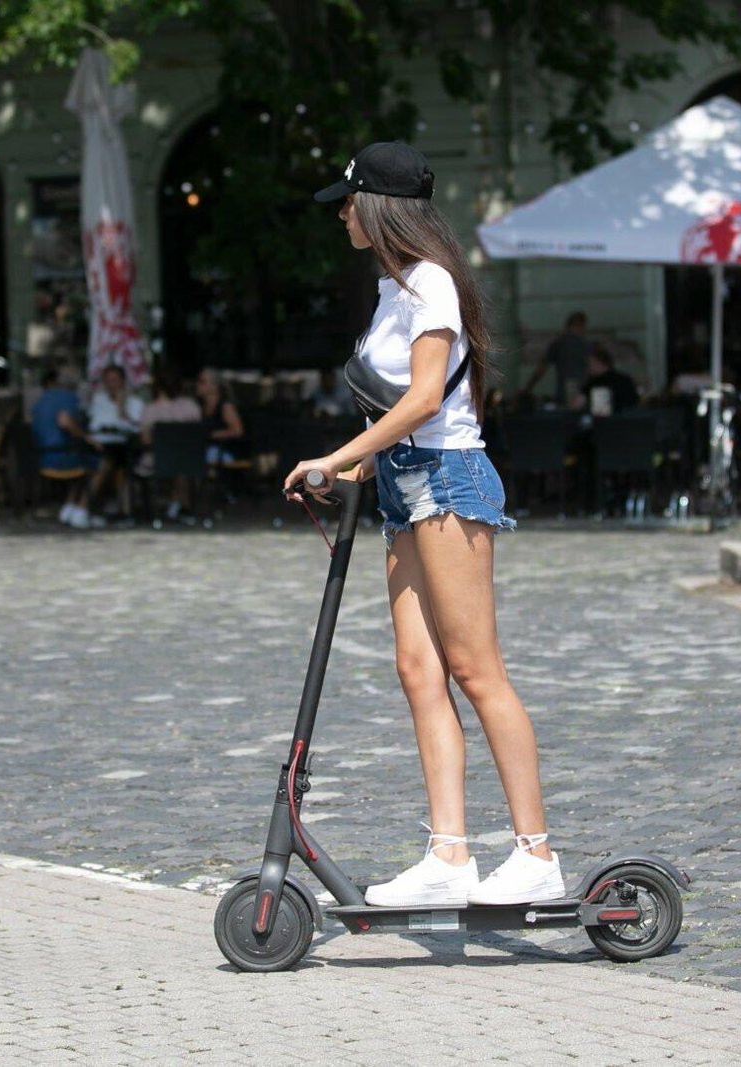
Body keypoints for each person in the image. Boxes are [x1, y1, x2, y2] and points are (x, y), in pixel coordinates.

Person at [287, 140, 563, 907]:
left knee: (476, 668)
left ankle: (536, 852)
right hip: (406, 483)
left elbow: (424, 400)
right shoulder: (393, 288)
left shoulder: (433, 282)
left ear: (377, 207)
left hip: (449, 482)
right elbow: (404, 419)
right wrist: (360, 469)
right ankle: (448, 855)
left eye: (347, 202)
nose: (341, 215)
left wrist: (336, 452)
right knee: (418, 668)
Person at [28, 365, 98, 528]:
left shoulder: (40, 401)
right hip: (61, 456)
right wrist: (86, 437)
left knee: (84, 458)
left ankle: (69, 507)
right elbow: (65, 421)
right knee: (101, 461)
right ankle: (81, 508)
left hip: (41, 457)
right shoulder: (67, 397)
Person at [137, 365, 202, 519]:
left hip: (158, 461)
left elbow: (145, 440)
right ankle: (179, 505)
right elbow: (197, 436)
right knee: (183, 464)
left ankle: (171, 505)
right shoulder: (191, 407)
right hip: (187, 461)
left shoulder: (150, 410)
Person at [86, 363, 144, 521]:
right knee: (101, 462)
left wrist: (121, 409)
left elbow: (138, 429)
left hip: (126, 447)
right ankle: (88, 508)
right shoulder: (99, 400)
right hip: (101, 445)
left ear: (123, 381)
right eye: (108, 381)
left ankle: (90, 507)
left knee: (112, 462)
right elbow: (94, 425)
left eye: (115, 380)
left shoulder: (135, 403)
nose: (112, 385)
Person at [521, 310, 590, 407]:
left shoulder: (559, 343)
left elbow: (541, 369)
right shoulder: (585, 345)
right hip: (581, 392)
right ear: (581, 326)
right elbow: (589, 368)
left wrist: (527, 389)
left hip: (563, 393)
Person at [196, 368, 247, 466]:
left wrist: (213, 435)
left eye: (202, 382)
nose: (198, 385)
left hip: (224, 451)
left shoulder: (225, 407)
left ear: (214, 386)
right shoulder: (199, 406)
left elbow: (238, 431)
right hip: (205, 448)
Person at [581, 344, 639, 416]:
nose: (588, 368)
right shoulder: (624, 379)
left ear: (600, 363)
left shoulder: (597, 382)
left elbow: (600, 409)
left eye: (590, 364)